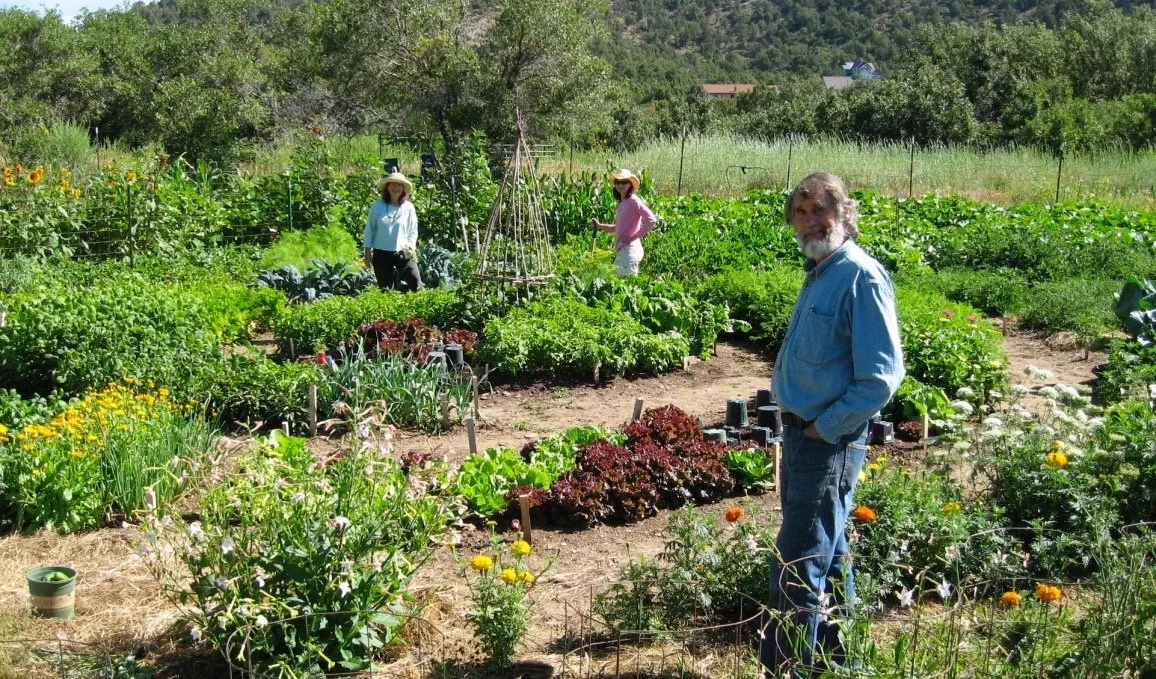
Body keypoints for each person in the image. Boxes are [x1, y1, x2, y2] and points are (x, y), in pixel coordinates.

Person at [761, 172, 905, 678]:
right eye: (801, 213)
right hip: (805, 435)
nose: (810, 221)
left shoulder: (861, 276)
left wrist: (826, 428)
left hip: (827, 441)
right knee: (830, 555)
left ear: (844, 214)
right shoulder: (821, 270)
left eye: (821, 210)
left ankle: (787, 671)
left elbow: (881, 378)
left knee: (798, 563)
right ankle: (839, 667)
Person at [363, 171, 422, 292]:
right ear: (387, 187)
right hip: (381, 253)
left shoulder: (408, 207)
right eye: (393, 184)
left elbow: (413, 230)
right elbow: (369, 229)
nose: (396, 188)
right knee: (386, 289)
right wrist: (367, 252)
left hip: (403, 252)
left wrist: (410, 247)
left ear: (403, 189)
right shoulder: (377, 207)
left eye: (399, 185)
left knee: (416, 283)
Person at [592, 169, 657, 277]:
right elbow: (620, 227)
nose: (620, 185)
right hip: (623, 250)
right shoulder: (622, 203)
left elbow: (651, 219)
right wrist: (600, 226)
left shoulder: (633, 201)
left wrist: (635, 236)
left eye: (624, 182)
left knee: (623, 283)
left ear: (630, 184)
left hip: (630, 250)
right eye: (618, 182)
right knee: (616, 281)